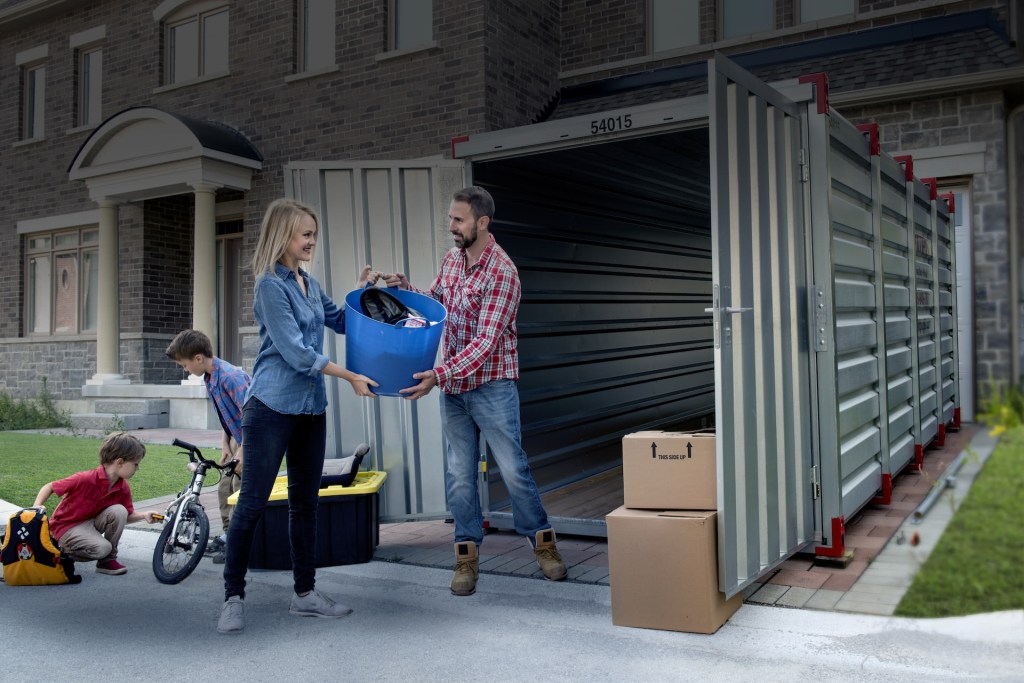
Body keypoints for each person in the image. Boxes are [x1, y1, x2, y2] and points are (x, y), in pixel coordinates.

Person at [385, 186, 567, 596]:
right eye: (451, 218)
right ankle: (465, 558)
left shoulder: (503, 273)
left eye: (458, 220)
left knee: (515, 471)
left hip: (492, 386)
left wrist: (438, 374)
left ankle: (545, 546)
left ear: (482, 222)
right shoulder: (453, 260)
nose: (451, 227)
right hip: (455, 388)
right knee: (460, 476)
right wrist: (407, 289)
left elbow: (485, 344)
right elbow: (437, 302)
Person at [217, 198, 379, 635]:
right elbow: (295, 352)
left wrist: (364, 291)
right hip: (270, 406)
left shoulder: (307, 282)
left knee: (305, 504)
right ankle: (233, 596)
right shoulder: (271, 285)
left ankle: (304, 594)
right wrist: (349, 376)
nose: (311, 242)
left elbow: (341, 320)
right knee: (251, 504)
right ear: (282, 234)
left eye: (313, 234)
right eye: (305, 233)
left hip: (310, 408)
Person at [165, 329, 249, 564]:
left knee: (239, 487)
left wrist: (242, 450)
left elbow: (251, 415)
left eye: (184, 364)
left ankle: (238, 542)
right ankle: (227, 535)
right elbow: (228, 413)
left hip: (253, 437)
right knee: (224, 486)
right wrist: (225, 443)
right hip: (237, 437)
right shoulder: (210, 378)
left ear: (198, 358)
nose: (185, 369)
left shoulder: (231, 377)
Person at [32, 431, 161, 576]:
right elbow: (49, 487)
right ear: (119, 462)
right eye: (135, 464)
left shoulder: (122, 487)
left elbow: (127, 516)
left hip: (90, 525)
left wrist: (143, 515)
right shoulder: (85, 478)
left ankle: (106, 562)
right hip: (65, 528)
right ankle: (58, 553)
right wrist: (37, 507)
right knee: (102, 548)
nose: (137, 469)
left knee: (119, 510)